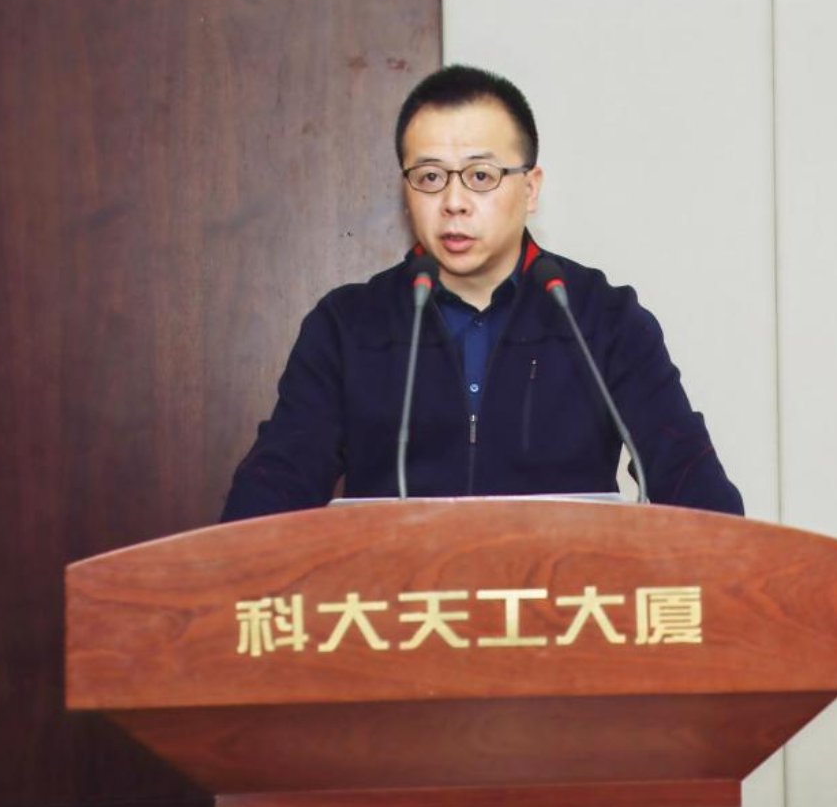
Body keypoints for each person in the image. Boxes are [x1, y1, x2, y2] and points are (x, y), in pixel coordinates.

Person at [219, 64, 743, 521]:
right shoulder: (348, 325)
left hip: (561, 599)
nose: (454, 201)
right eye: (430, 177)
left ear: (530, 188)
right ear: (406, 191)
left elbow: (691, 482)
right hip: (400, 601)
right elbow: (276, 486)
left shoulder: (600, 317)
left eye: (480, 176)